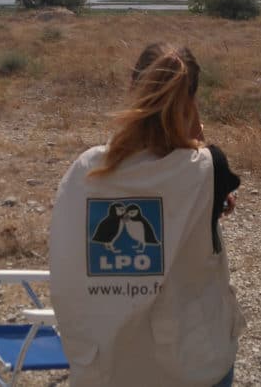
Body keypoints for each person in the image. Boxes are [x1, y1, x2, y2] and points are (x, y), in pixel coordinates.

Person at [49, 43, 245, 387]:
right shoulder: (208, 170)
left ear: (131, 88)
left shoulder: (86, 169)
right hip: (194, 367)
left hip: (108, 370)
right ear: (192, 102)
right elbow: (196, 148)